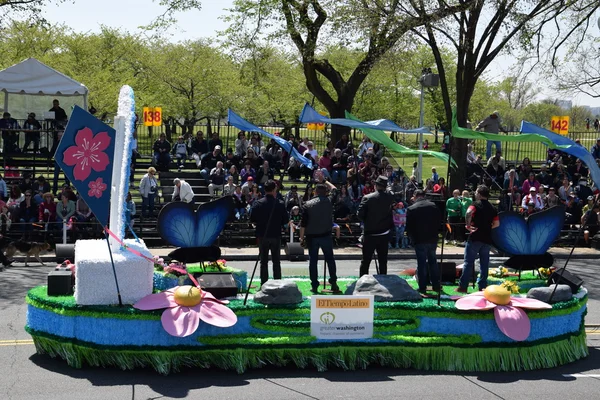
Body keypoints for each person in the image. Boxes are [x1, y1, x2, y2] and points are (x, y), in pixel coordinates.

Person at [457, 185, 500, 292]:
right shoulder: (493, 208)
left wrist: (467, 225)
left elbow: (468, 213)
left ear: (480, 194)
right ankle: (482, 286)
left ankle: (463, 286)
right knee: (484, 264)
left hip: (475, 237)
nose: (475, 194)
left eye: (476, 192)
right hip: (487, 239)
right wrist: (488, 227)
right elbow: (497, 223)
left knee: (468, 262)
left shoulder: (475, 204)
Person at [300, 179, 340, 293]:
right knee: (330, 260)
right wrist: (325, 180)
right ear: (325, 192)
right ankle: (333, 283)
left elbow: (303, 224)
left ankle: (314, 285)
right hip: (326, 236)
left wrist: (301, 238)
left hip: (312, 237)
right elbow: (335, 190)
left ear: (315, 192)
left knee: (313, 262)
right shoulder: (329, 200)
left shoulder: (307, 204)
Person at [250, 180, 288, 285]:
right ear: (274, 189)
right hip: (275, 235)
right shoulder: (280, 203)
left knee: (264, 262)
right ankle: (277, 284)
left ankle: (264, 284)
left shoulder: (258, 203)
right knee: (276, 262)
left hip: (263, 235)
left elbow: (252, 218)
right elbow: (285, 220)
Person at [357, 176, 395, 276]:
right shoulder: (389, 197)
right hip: (384, 234)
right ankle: (384, 281)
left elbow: (359, 215)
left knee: (365, 261)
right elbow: (392, 193)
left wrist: (368, 219)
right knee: (383, 261)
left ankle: (363, 282)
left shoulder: (367, 198)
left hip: (370, 234)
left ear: (375, 185)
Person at [406, 190, 441, 294]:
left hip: (419, 239)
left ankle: (422, 287)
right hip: (432, 238)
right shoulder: (433, 206)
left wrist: (411, 238)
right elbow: (439, 221)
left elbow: (409, 227)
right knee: (433, 262)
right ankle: (436, 285)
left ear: (415, 196)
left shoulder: (412, 208)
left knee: (421, 264)